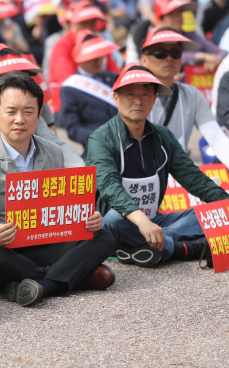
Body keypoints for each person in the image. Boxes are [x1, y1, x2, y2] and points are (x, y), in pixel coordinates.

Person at [0, 72, 116, 308]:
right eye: (11, 111)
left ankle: (44, 285)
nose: (20, 119)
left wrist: (87, 219)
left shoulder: (53, 152)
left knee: (103, 235)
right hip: (3, 250)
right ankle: (71, 275)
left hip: (42, 244)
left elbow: (61, 209)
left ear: (39, 116)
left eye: (28, 111)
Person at [85, 63, 229, 268]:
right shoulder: (100, 138)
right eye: (130, 93)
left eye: (145, 94)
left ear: (154, 100)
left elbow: (194, 179)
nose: (138, 100)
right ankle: (186, 248)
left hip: (155, 221)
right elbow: (110, 188)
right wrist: (142, 223)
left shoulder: (163, 136)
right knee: (116, 219)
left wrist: (225, 205)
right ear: (116, 98)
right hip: (113, 223)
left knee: (208, 213)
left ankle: (146, 245)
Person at [0, 43, 84, 168]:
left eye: (14, 77)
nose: (7, 84)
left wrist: (84, 172)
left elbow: (55, 146)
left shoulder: (27, 108)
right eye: (0, 77)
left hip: (24, 182)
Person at [139, 27, 229, 167]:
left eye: (175, 53)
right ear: (143, 60)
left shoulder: (192, 94)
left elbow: (216, 138)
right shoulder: (130, 95)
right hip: (141, 174)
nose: (169, 58)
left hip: (179, 173)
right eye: (160, 53)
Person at [48, 1, 120, 116]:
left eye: (93, 22)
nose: (89, 27)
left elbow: (116, 75)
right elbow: (68, 81)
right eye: (84, 22)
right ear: (73, 24)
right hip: (66, 105)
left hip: (101, 102)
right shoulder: (62, 44)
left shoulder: (98, 42)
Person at [126, 0, 227, 72]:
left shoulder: (192, 36)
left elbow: (223, 53)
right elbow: (158, 61)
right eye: (171, 15)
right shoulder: (152, 39)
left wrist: (216, 60)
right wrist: (201, 57)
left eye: (180, 13)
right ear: (159, 20)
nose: (177, 18)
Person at [60, 30, 120, 149]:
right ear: (81, 59)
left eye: (100, 56)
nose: (97, 61)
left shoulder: (113, 78)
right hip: (97, 147)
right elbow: (73, 128)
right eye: (92, 57)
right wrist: (99, 138)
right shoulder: (70, 88)